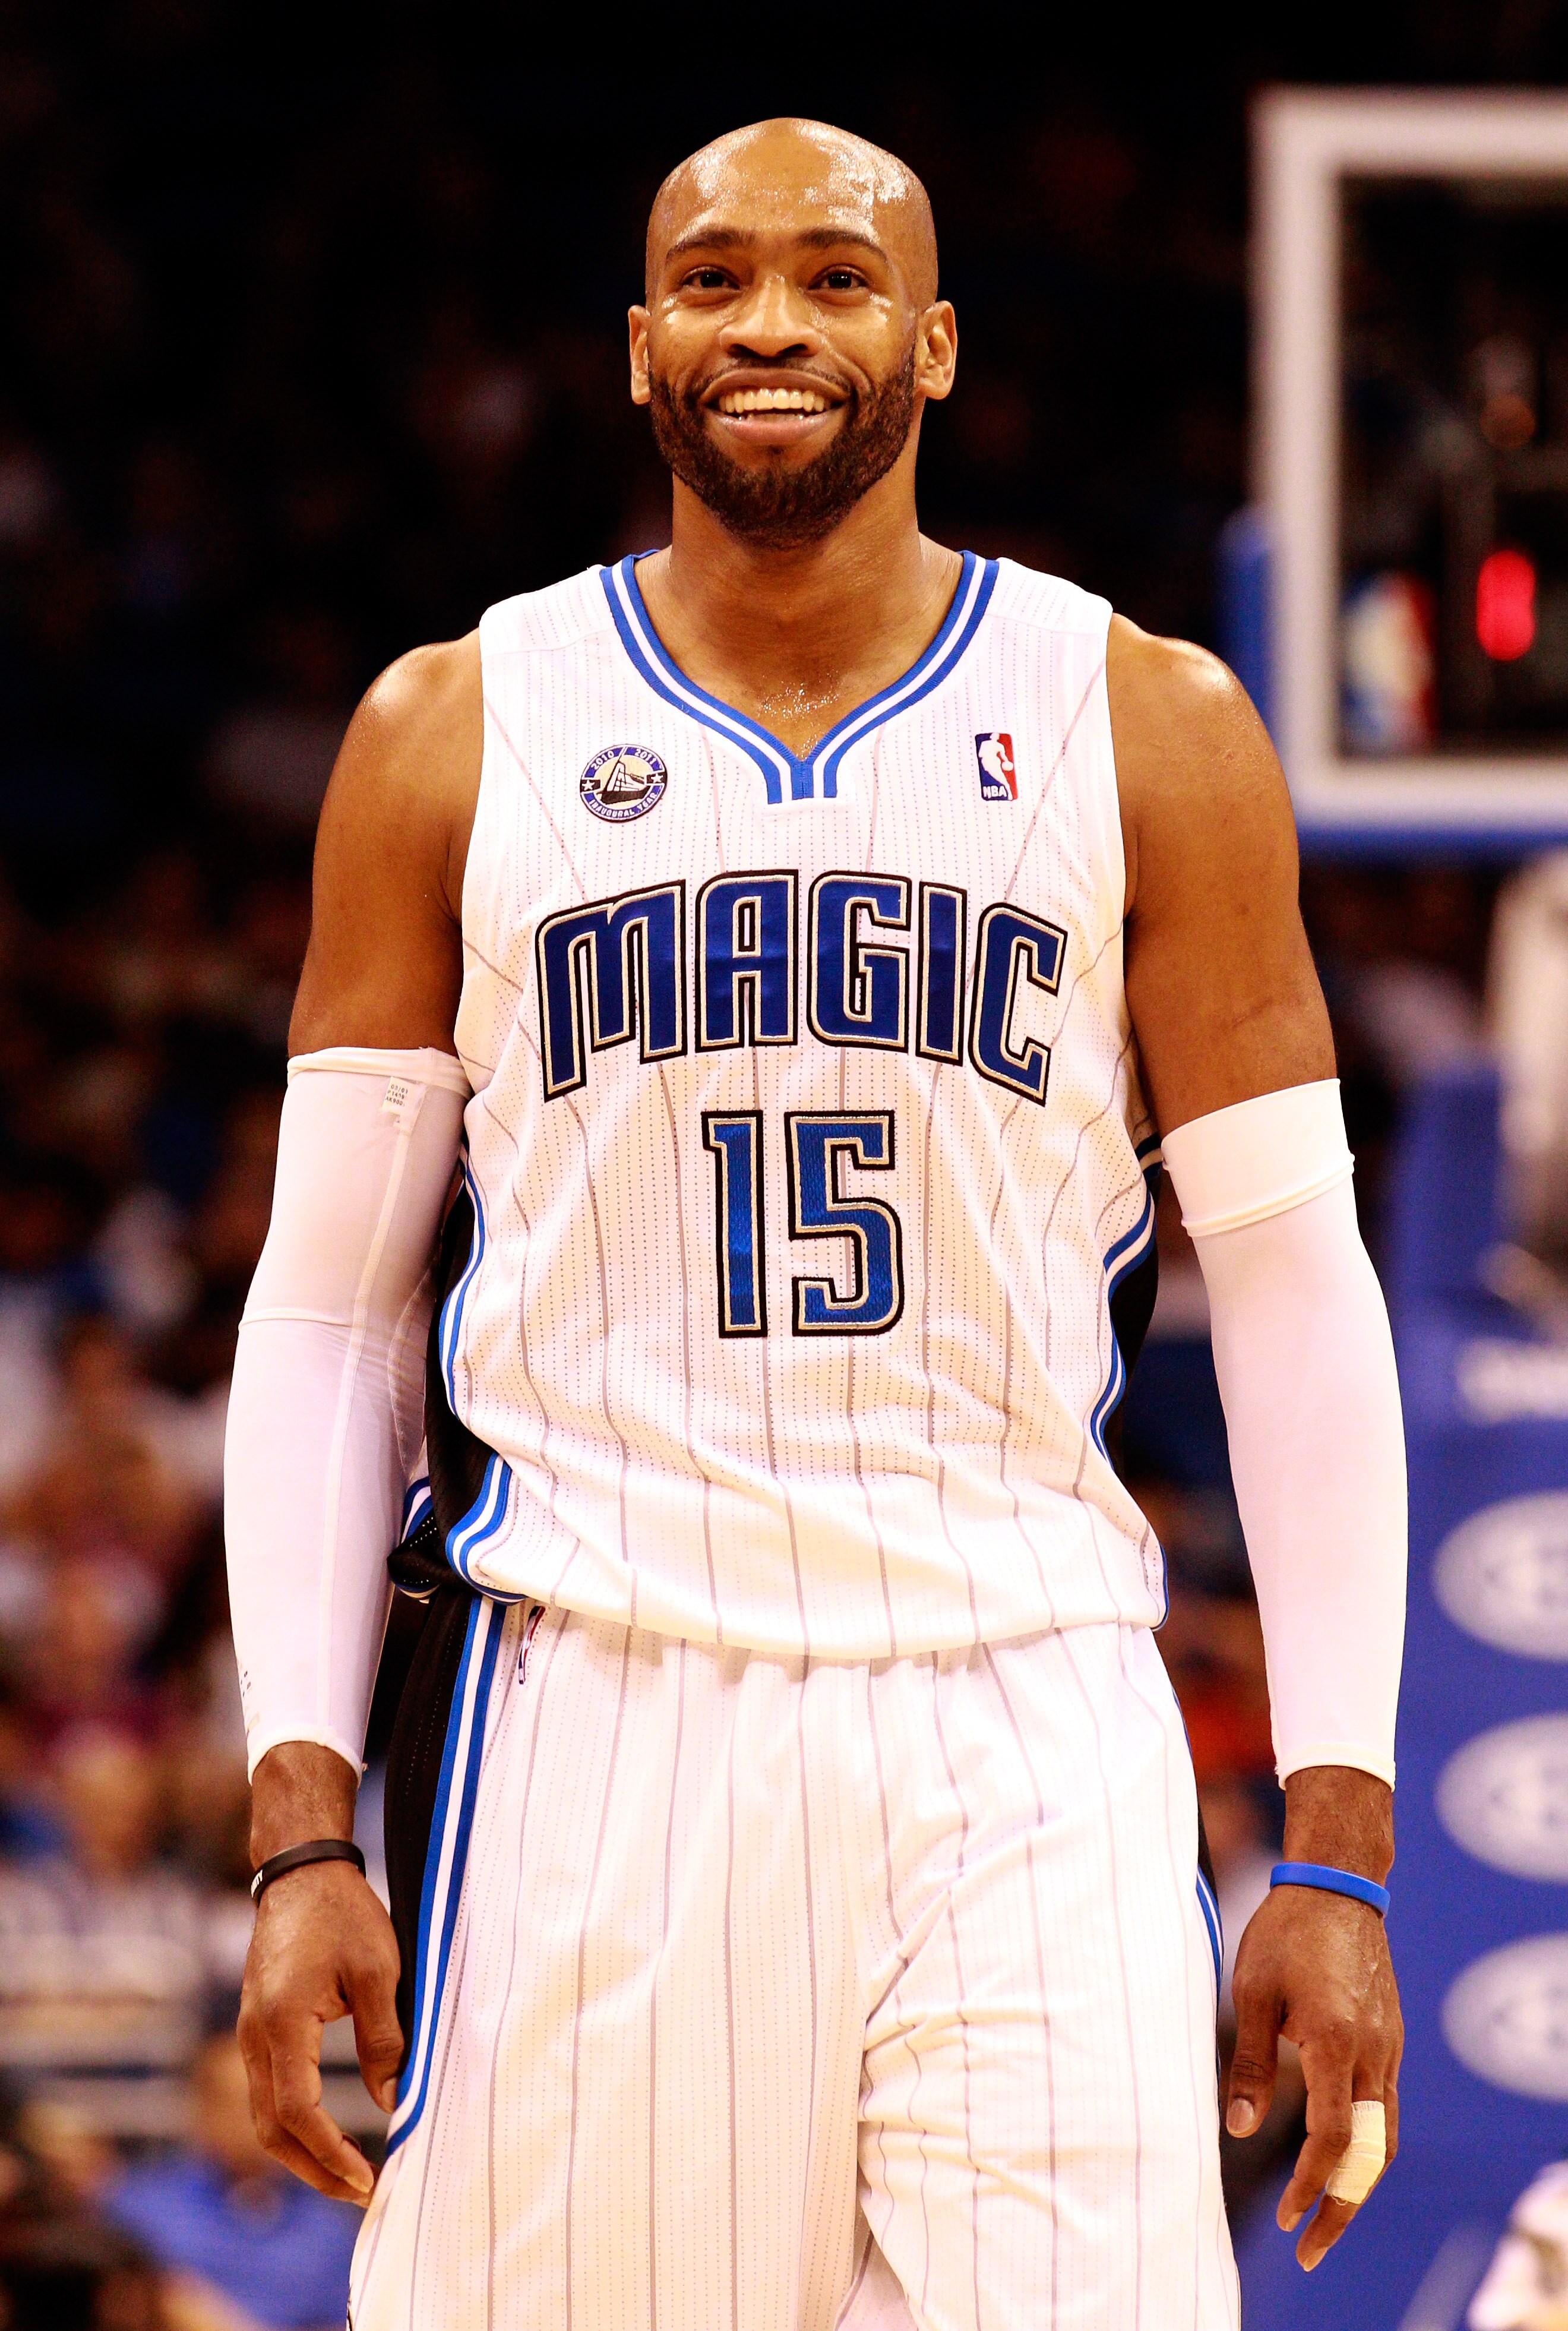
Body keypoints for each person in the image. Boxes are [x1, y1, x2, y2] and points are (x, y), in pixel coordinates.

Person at [225, 117, 1408, 2329]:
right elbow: (322, 1313)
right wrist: (299, 1817)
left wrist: (1340, 1831)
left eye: (839, 277)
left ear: (936, 342)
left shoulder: (1144, 722)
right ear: (640, 347)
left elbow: (1294, 1281)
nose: (774, 318)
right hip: (601, 1703)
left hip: (1022, 1698)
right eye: (716, 276)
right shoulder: (450, 728)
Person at [105, 2029, 358, 2330]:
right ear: (201, 2109)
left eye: (273, 2104)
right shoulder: (135, 2211)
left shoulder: (331, 2224)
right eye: (240, 2105)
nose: (260, 2122)